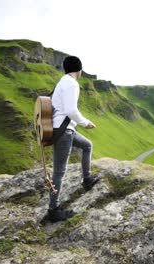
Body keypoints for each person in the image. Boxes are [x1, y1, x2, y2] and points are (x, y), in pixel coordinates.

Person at [48, 56, 100, 222]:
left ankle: (87, 180)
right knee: (59, 172)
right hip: (64, 131)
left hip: (64, 128)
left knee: (87, 145)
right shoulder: (71, 83)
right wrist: (86, 123)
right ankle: (53, 210)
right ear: (79, 70)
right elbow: (70, 110)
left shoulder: (62, 81)